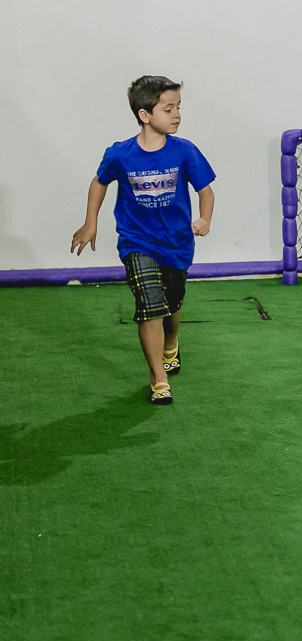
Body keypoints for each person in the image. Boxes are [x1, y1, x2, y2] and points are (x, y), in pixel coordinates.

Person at [70, 75, 216, 405]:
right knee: (150, 305)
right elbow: (99, 182)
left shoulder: (185, 151)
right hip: (136, 241)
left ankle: (171, 341)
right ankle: (158, 378)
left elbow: (206, 191)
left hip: (177, 242)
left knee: (172, 303)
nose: (177, 114)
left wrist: (204, 218)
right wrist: (90, 221)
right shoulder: (121, 154)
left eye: (179, 107)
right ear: (144, 114)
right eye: (168, 108)